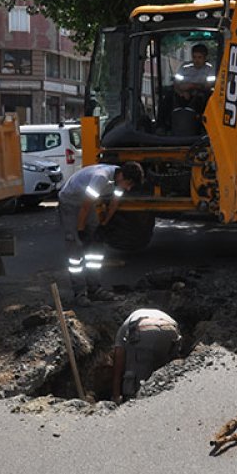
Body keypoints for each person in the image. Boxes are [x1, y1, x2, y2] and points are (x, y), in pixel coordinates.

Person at [58, 161, 145, 305]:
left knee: (95, 247)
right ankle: (79, 293)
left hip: (87, 202)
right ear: (122, 176)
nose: (128, 188)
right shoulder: (101, 177)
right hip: (71, 202)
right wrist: (81, 231)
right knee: (75, 247)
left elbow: (115, 202)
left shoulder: (119, 181)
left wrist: (104, 224)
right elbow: (84, 207)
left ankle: (95, 289)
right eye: (128, 184)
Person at [112, 308, 182, 403]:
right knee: (166, 367)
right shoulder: (157, 313)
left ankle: (133, 400)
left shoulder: (123, 329)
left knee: (133, 371)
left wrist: (116, 394)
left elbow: (118, 361)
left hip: (143, 328)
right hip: (170, 328)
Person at [173, 44, 216, 112]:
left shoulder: (210, 69)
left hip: (201, 97)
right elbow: (176, 83)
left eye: (199, 57)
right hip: (182, 95)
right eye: (194, 57)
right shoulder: (184, 67)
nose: (196, 60)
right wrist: (182, 93)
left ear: (205, 58)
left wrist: (192, 86)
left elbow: (208, 86)